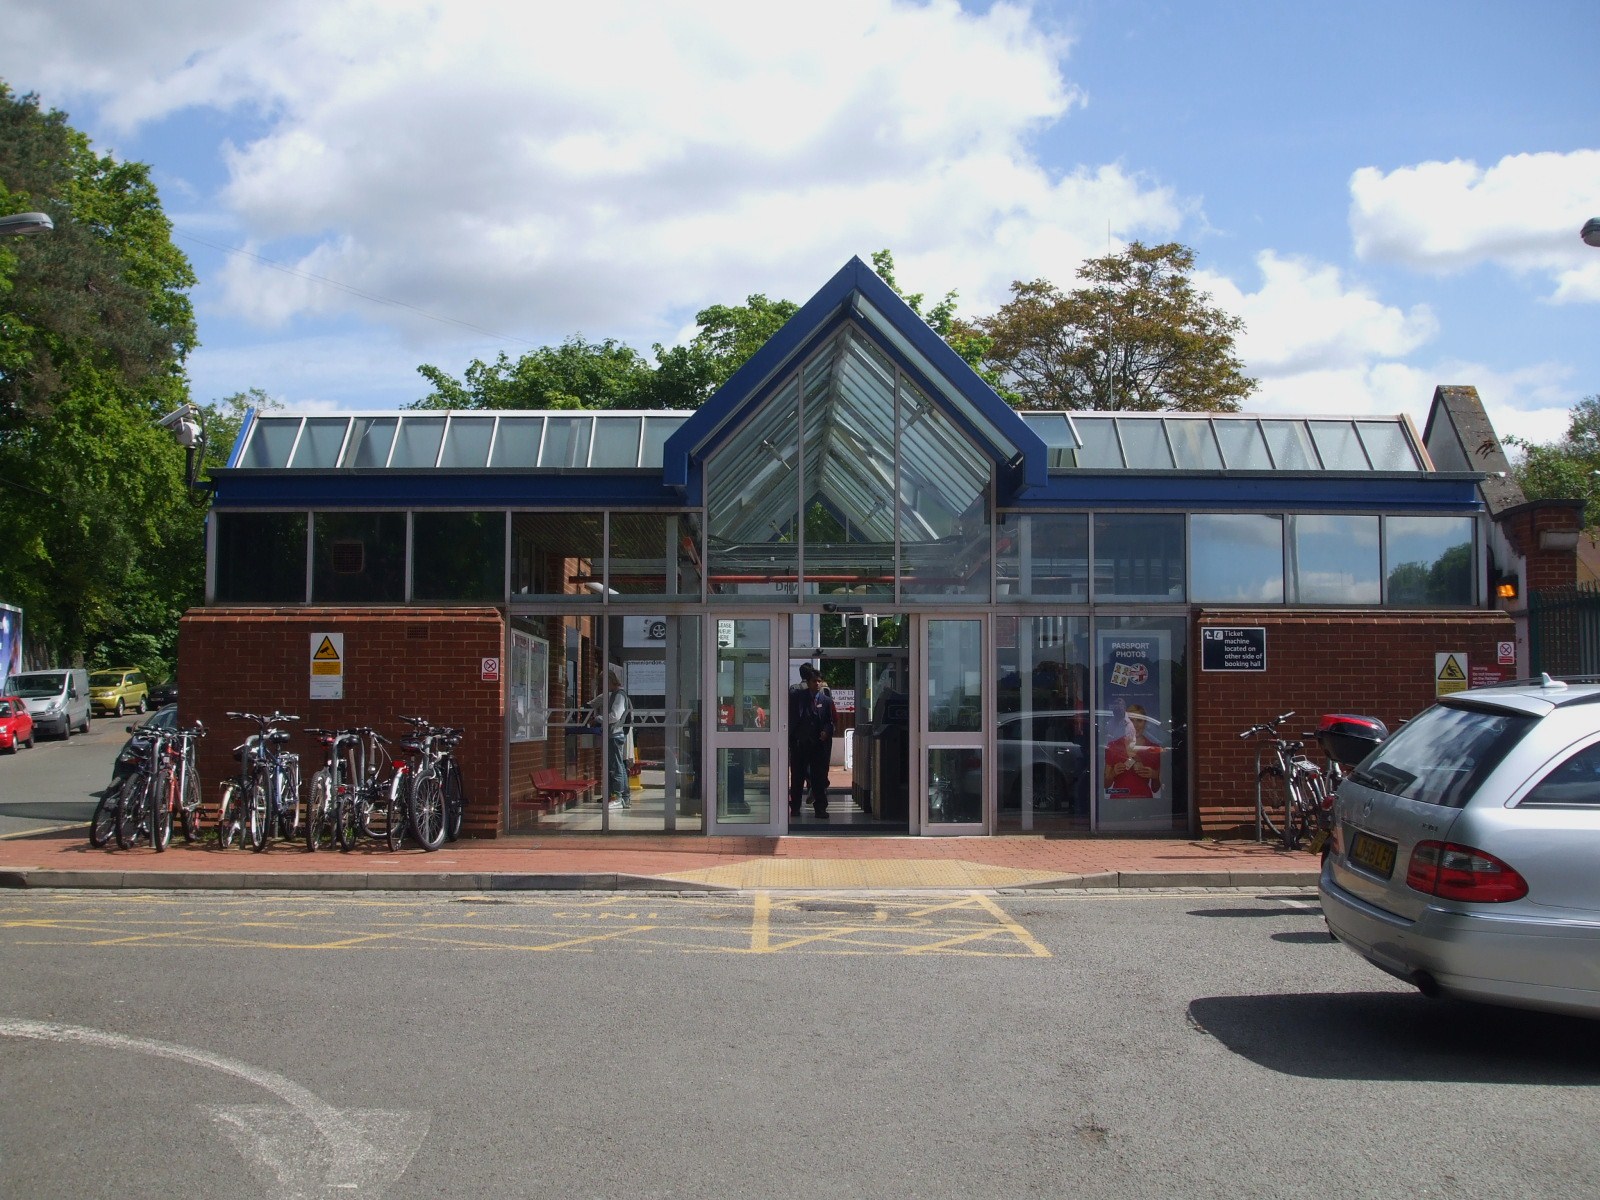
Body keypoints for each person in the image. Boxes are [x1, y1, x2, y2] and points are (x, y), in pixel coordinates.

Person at [788, 663, 837, 819]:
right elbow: (792, 718)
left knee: (819, 778)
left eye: (819, 681)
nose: (817, 684)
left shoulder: (827, 701)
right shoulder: (797, 698)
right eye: (814, 681)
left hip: (819, 746)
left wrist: (826, 732)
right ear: (808, 682)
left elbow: (831, 722)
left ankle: (820, 809)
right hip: (800, 745)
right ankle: (795, 807)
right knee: (797, 778)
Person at [591, 664, 633, 810]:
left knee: (616, 766)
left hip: (615, 734)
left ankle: (618, 796)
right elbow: (600, 699)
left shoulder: (619, 696)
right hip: (614, 734)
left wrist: (599, 719)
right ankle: (622, 796)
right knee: (617, 765)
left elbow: (615, 716)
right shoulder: (614, 694)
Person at [1104, 702, 1161, 800]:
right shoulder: (1113, 746)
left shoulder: (1153, 748)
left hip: (1143, 803)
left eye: (1139, 720)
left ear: (1145, 723)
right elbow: (1105, 785)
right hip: (1118, 802)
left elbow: (1155, 788)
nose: (1135, 725)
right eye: (1131, 720)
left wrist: (1154, 775)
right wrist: (1113, 773)